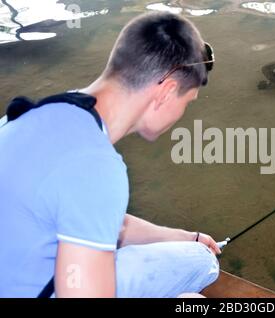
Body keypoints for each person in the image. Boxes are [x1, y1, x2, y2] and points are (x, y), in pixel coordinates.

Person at [0, 12, 221, 298]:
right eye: (187, 101)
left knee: (194, 253)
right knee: (201, 268)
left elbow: (86, 209)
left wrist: (185, 237)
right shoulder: (96, 165)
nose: (182, 114)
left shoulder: (29, 117)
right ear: (167, 92)